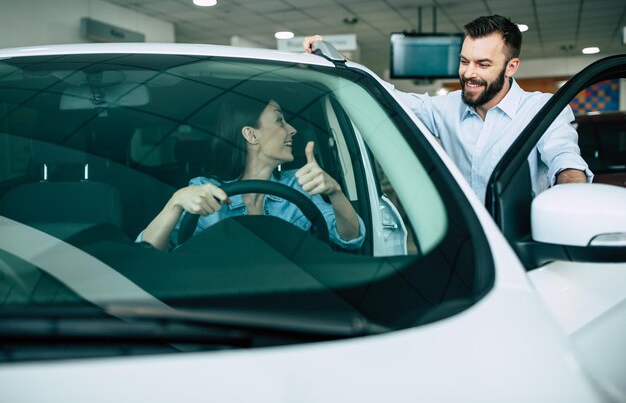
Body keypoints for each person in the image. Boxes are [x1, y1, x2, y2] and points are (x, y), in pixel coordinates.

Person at [304, 15, 592, 203]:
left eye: (483, 64)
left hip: (527, 246)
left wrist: (570, 208)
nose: (469, 73)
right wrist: (337, 59)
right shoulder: (447, 107)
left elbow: (566, 165)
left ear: (511, 67)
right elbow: (387, 96)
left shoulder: (544, 109)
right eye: (464, 61)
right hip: (471, 248)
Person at [138, 94, 365, 251]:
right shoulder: (205, 189)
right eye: (280, 120)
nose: (293, 129)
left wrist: (335, 191)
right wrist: (175, 202)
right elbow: (147, 254)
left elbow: (350, 238)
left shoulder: (298, 185)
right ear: (251, 135)